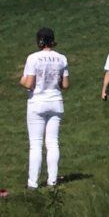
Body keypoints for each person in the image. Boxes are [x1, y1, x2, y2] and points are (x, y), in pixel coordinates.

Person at [20, 26, 68, 189]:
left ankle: (32, 182)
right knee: (53, 143)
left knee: (36, 144)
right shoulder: (61, 58)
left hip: (37, 102)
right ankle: (52, 181)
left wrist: (21, 81)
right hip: (55, 101)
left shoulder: (33, 58)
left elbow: (28, 83)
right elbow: (65, 84)